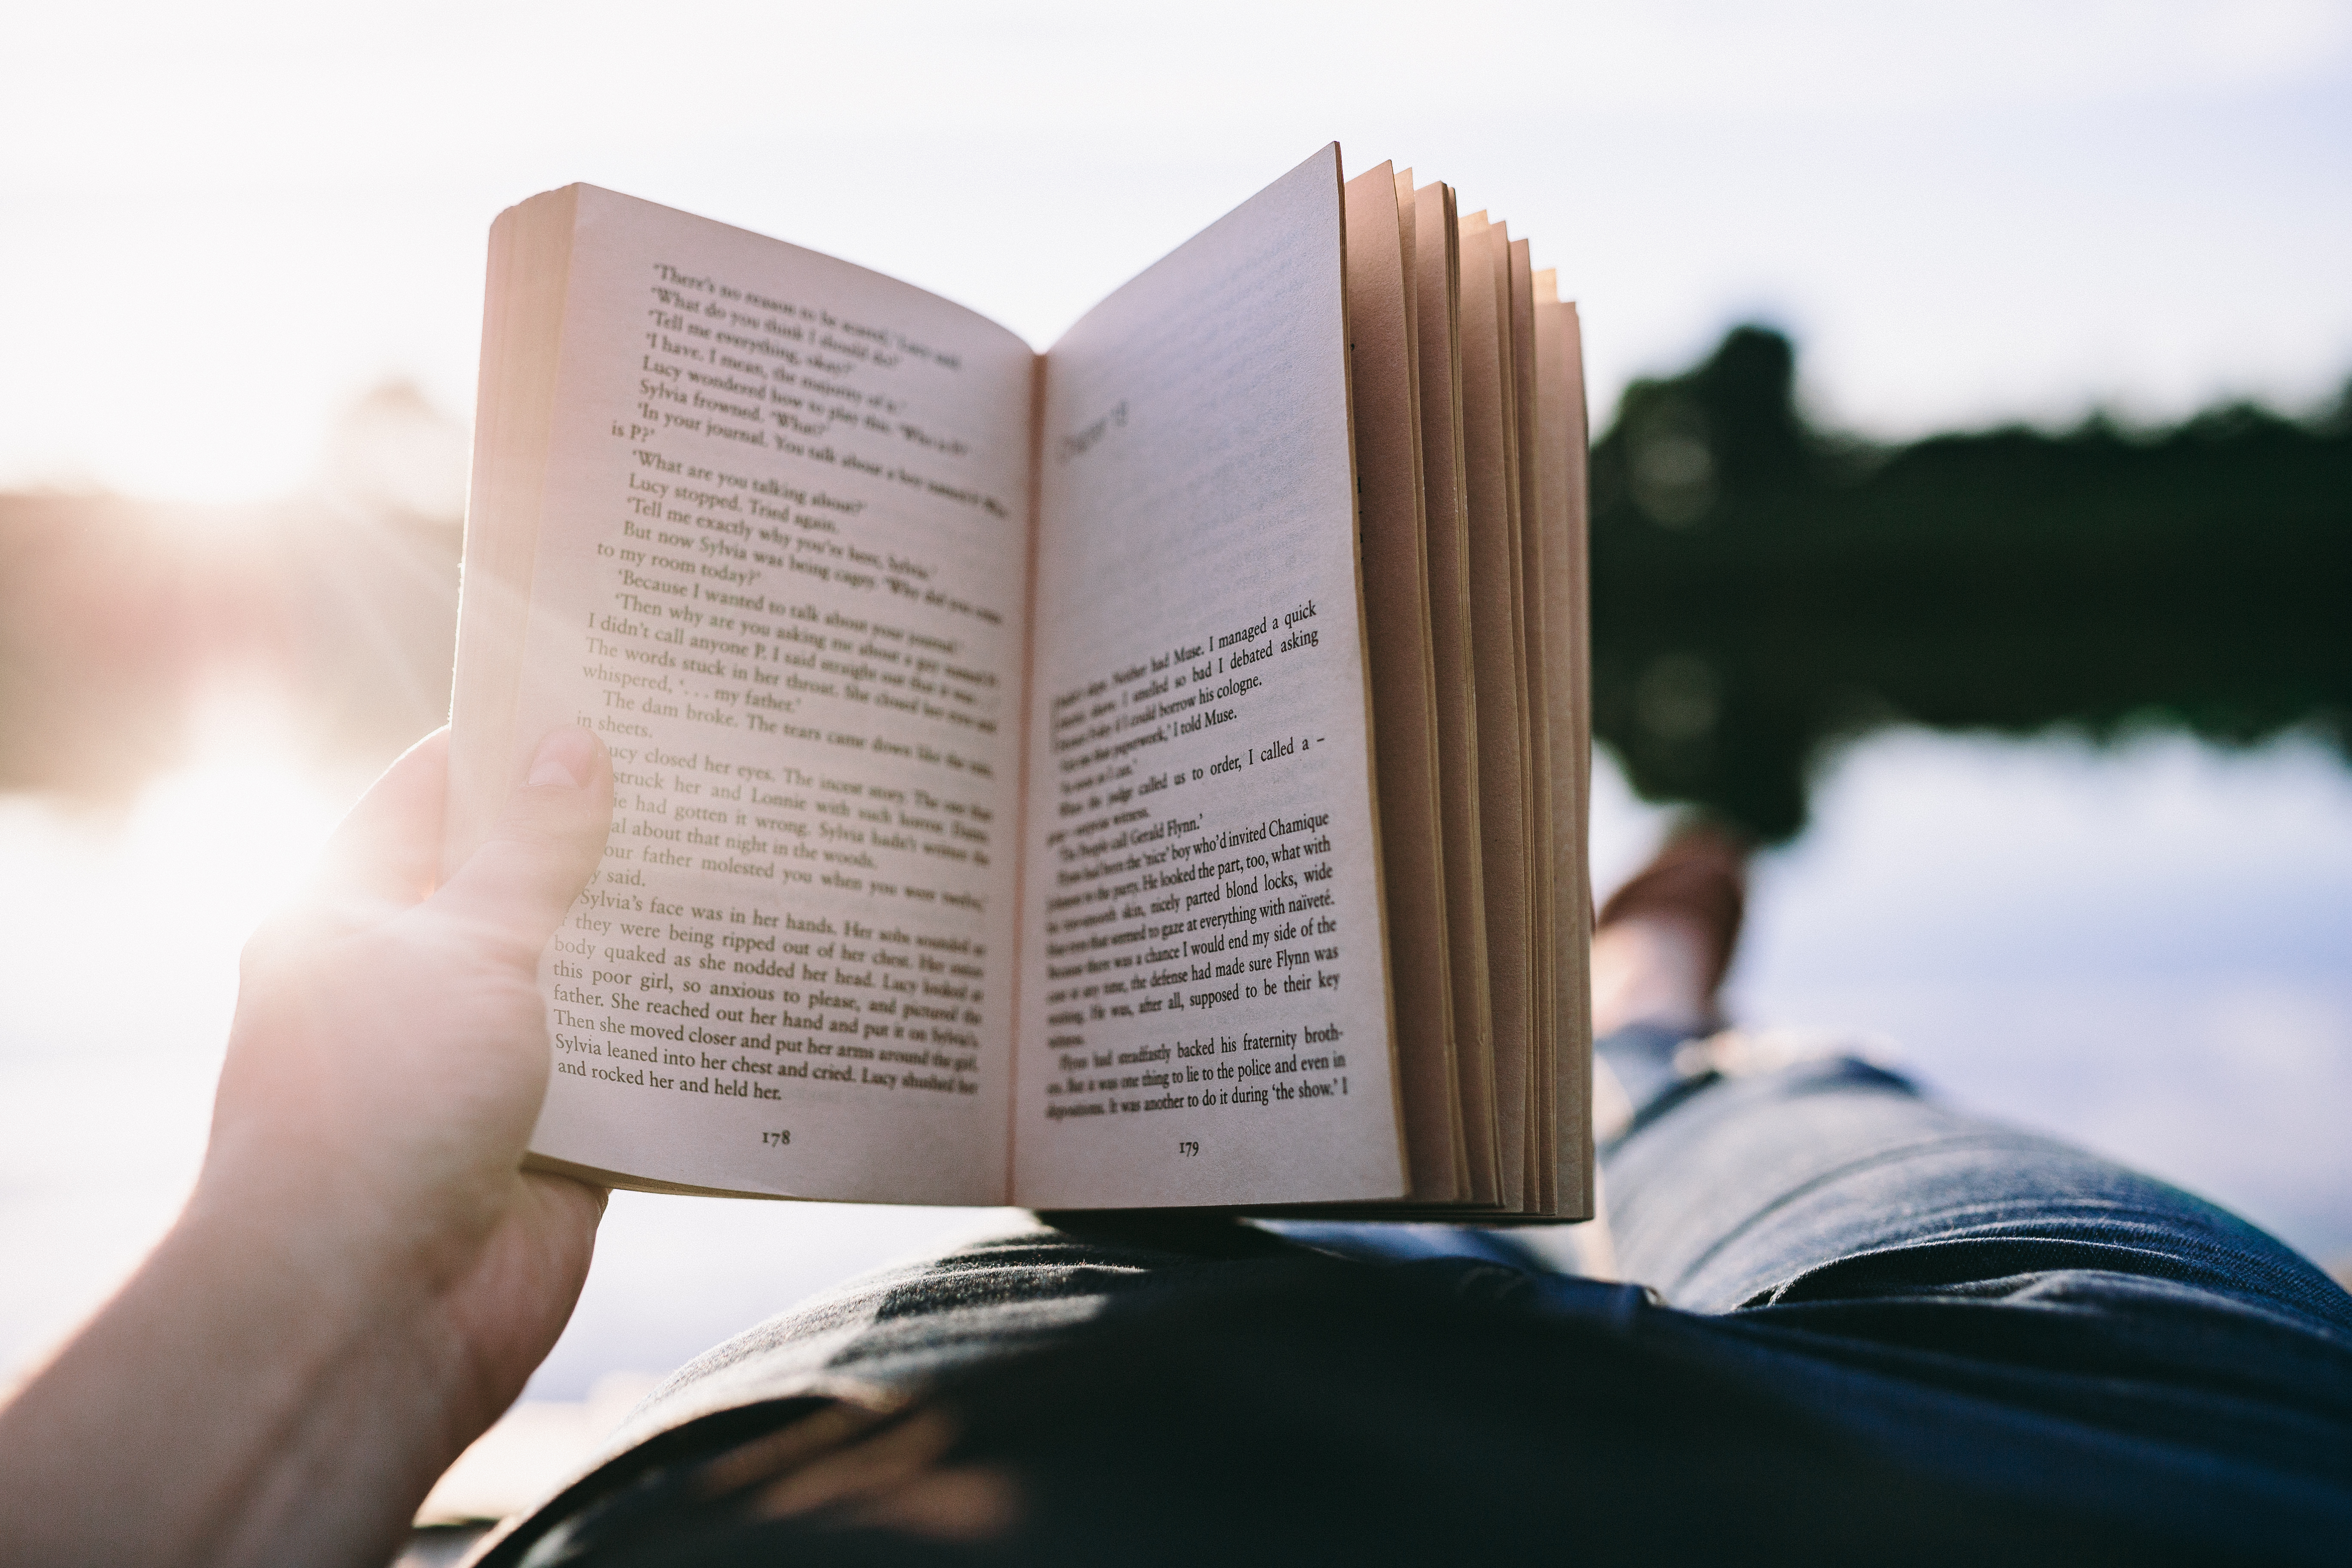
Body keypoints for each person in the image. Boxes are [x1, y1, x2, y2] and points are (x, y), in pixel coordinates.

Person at [2, 726, 2347, 1566]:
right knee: (1767, 1115)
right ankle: (1646, 1005)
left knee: (1244, 1197)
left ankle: (1616, 1021)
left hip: (941, 1412)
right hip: (2049, 1482)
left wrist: (321, 1293)